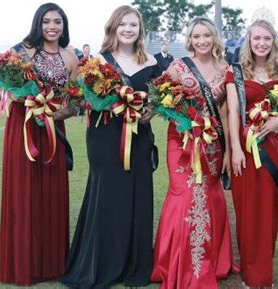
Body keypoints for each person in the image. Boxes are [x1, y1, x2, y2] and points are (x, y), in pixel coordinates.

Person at [62, 5, 159, 288]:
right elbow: (80, 99)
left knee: (137, 194)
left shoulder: (152, 61)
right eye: (123, 24)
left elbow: (161, 98)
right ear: (113, 27)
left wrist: (151, 109)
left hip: (139, 137)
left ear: (140, 30)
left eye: (133, 25)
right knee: (108, 195)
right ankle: (102, 263)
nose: (128, 29)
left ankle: (133, 264)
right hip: (105, 137)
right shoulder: (97, 63)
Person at [0, 2, 78, 285]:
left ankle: (51, 264)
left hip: (53, 128)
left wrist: (55, 113)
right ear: (38, 23)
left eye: (58, 22)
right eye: (46, 21)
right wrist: (18, 98)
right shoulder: (20, 50)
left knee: (51, 192)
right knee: (23, 191)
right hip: (22, 126)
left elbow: (74, 101)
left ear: (64, 26)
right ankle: (23, 265)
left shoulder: (71, 57)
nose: (52, 27)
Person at [151, 17, 233, 289]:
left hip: (212, 143)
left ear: (214, 37)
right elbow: (164, 101)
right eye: (196, 36)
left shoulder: (225, 69)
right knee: (184, 195)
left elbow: (224, 111)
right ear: (189, 39)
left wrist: (229, 149)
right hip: (182, 141)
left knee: (208, 195)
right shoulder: (177, 67)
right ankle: (174, 263)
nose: (202, 41)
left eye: (206, 35)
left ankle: (210, 261)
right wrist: (185, 122)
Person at [226, 19, 278, 288]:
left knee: (268, 212)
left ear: (273, 41)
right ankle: (249, 275)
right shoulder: (237, 72)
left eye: (267, 38)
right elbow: (232, 114)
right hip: (245, 150)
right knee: (246, 212)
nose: (262, 43)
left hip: (273, 150)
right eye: (257, 38)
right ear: (248, 41)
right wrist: (236, 150)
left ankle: (264, 275)